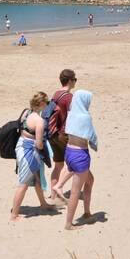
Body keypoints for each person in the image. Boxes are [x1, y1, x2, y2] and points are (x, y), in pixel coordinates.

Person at [10, 92, 54, 222]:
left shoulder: (27, 112)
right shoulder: (39, 121)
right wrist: (44, 149)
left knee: (37, 179)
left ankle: (43, 203)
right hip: (29, 152)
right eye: (46, 103)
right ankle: (14, 215)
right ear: (42, 104)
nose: (47, 105)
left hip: (21, 145)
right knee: (23, 183)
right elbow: (39, 144)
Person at [64, 90, 98, 230]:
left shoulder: (71, 114)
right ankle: (68, 224)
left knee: (90, 180)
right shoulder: (85, 117)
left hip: (69, 152)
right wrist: (95, 144)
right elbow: (91, 136)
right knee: (75, 192)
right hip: (80, 155)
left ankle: (87, 212)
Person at [47, 69, 76, 202]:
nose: (75, 82)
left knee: (58, 165)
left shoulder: (56, 94)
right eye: (74, 79)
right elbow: (72, 116)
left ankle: (54, 196)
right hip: (63, 135)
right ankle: (61, 189)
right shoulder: (69, 97)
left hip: (52, 133)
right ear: (69, 81)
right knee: (75, 164)